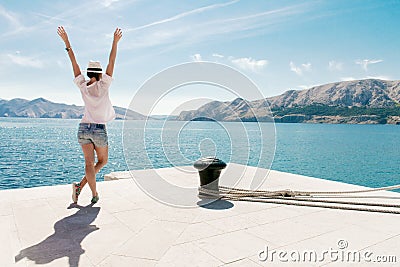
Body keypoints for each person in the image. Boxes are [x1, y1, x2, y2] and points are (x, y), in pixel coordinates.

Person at [57, 26, 122, 204]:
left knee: (89, 164)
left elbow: (74, 63)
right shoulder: (104, 85)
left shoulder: (83, 86)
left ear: (89, 73)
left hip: (83, 128)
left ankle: (88, 192)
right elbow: (112, 62)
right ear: (99, 73)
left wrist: (67, 43)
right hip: (99, 129)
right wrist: (115, 42)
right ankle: (85, 189)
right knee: (102, 161)